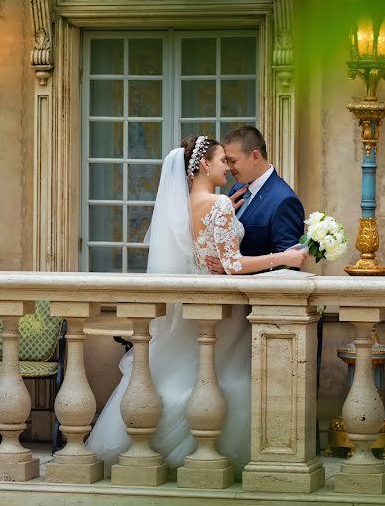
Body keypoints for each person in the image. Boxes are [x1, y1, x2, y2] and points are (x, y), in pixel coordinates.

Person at [85, 135, 307, 477]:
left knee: (184, 376)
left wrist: (228, 214)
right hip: (223, 312)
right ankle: (210, 453)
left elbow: (202, 247)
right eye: (222, 161)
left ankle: (147, 446)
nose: (227, 168)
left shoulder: (187, 203)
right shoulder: (217, 203)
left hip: (194, 307)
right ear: (205, 164)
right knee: (222, 380)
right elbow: (231, 264)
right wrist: (286, 256)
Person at [204, 125, 306, 275]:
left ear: (255, 156)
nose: (228, 167)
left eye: (232, 161)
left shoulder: (284, 200)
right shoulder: (237, 188)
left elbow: (289, 266)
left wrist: (230, 267)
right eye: (226, 161)